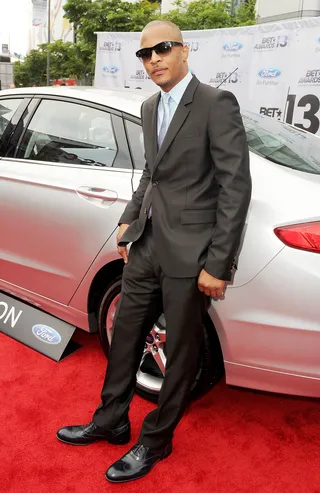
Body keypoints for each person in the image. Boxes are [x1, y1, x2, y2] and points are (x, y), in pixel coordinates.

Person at [57, 20, 252, 483]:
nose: (154, 60)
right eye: (145, 54)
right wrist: (128, 222)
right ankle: (111, 420)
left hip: (192, 257)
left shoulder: (214, 103)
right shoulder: (148, 107)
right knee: (125, 337)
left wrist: (218, 264)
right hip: (145, 247)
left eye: (162, 49)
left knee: (181, 355)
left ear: (185, 50)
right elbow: (152, 174)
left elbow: (235, 188)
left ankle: (156, 441)